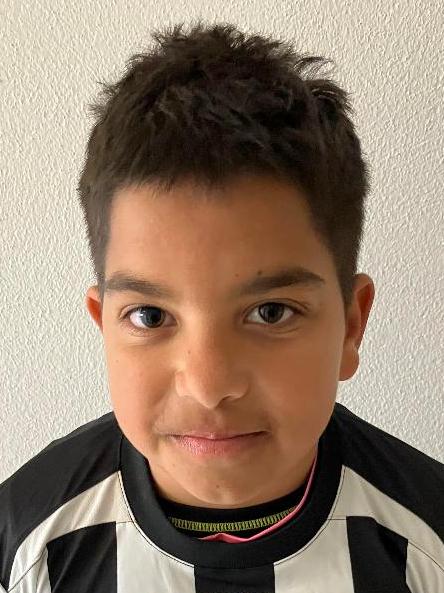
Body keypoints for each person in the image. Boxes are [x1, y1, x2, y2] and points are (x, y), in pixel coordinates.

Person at [1, 19, 442, 593]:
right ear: (103, 325)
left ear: (351, 326)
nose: (209, 387)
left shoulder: (427, 544)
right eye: (150, 316)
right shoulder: (26, 543)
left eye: (271, 312)